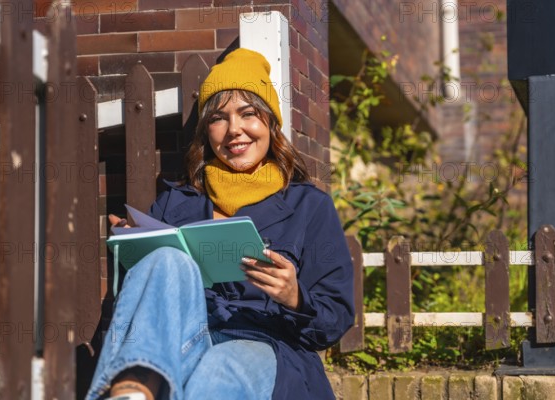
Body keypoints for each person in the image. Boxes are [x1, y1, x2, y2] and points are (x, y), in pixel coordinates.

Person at [86, 48, 354, 400]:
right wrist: (137, 248)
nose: (234, 130)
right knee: (165, 259)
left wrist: (295, 297)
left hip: (266, 345)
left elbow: (334, 320)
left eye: (248, 114)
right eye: (218, 118)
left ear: (270, 123)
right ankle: (133, 387)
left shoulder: (309, 206)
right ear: (206, 130)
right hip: (183, 343)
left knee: (219, 369)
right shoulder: (175, 202)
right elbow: (152, 305)